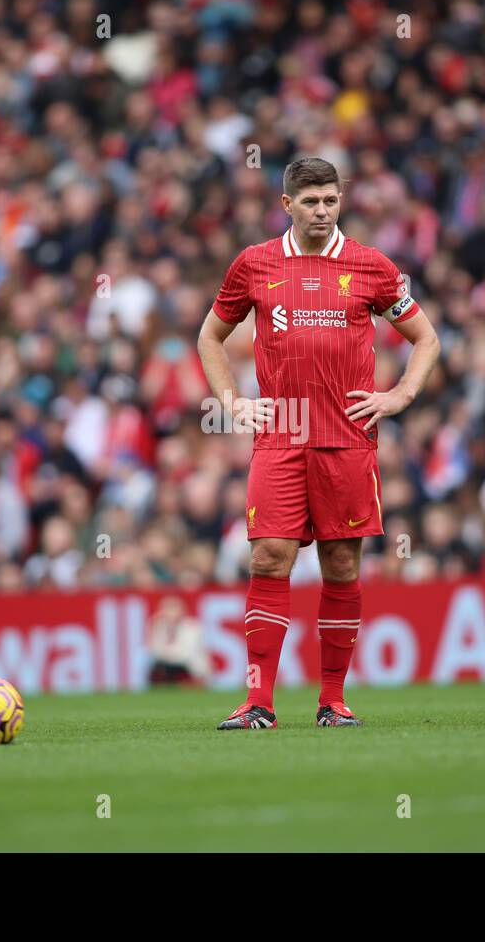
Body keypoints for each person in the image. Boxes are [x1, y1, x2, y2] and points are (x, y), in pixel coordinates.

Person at [195, 157, 441, 730]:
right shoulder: (254, 264)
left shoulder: (371, 266)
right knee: (269, 556)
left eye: (331, 199)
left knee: (339, 563)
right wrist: (232, 402)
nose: (322, 210)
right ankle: (258, 702)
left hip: (348, 438)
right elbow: (210, 335)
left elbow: (426, 338)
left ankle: (333, 701)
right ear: (287, 205)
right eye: (311, 201)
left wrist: (399, 396)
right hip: (281, 436)